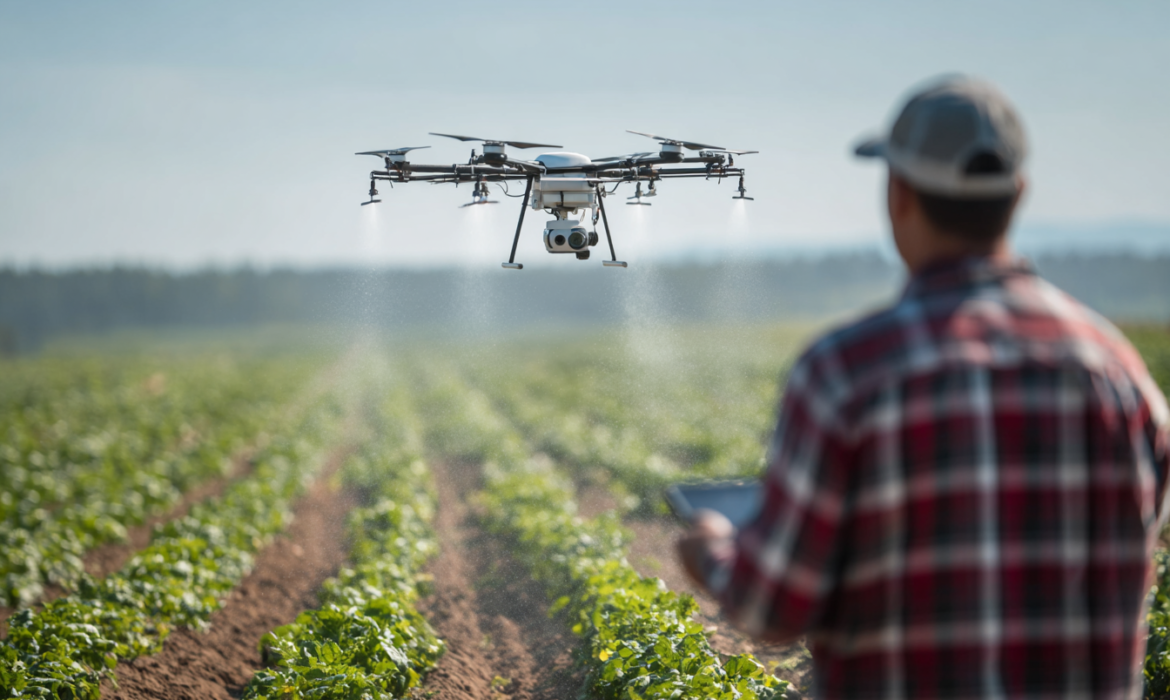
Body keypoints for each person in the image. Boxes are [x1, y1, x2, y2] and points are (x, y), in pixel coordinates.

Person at [677, 76, 1170, 699]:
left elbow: (772, 607)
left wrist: (713, 549)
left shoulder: (847, 373)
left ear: (898, 194)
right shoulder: (1121, 376)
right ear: (1018, 194)